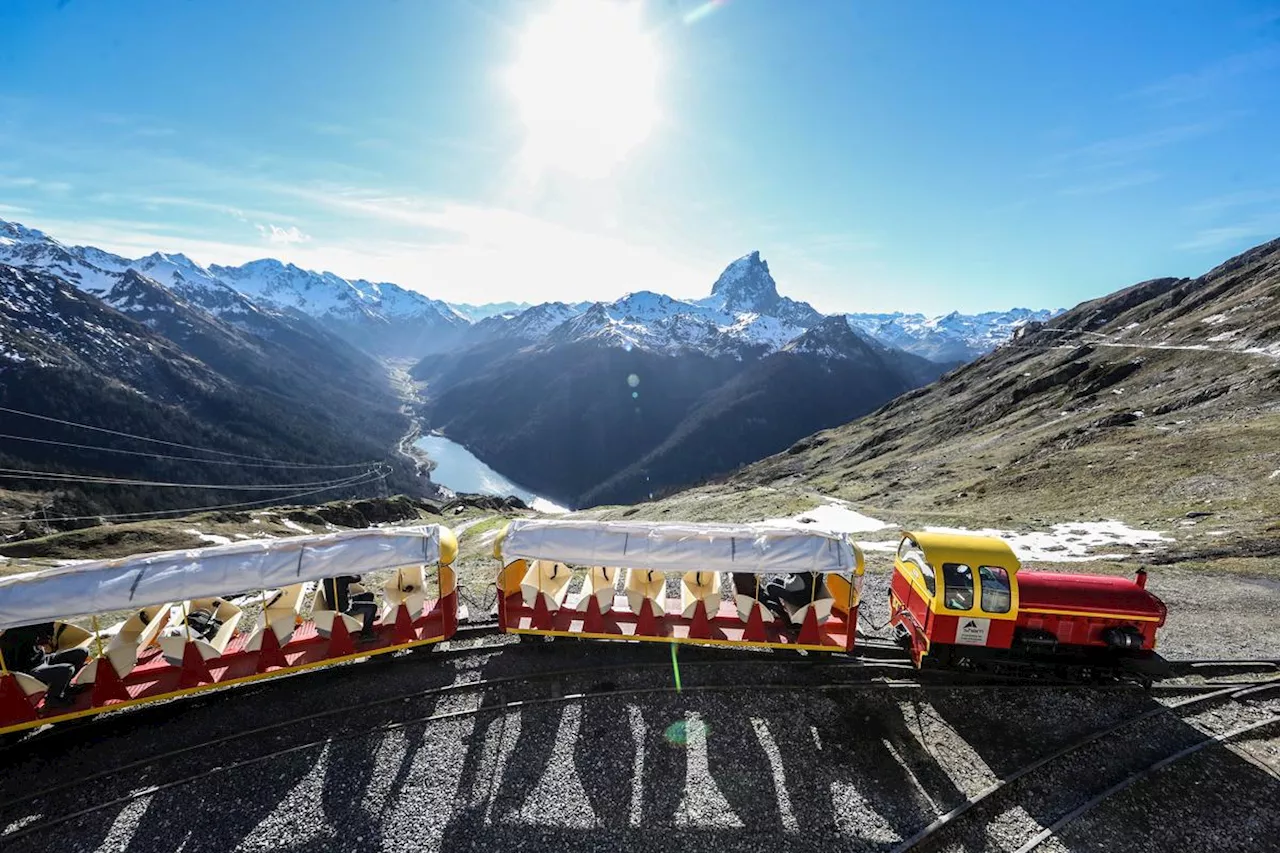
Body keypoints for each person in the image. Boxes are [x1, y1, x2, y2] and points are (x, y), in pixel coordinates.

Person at [0, 622, 89, 706]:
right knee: (67, 669)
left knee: (82, 652)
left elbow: (46, 638)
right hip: (29, 670)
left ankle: (65, 687)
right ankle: (53, 699)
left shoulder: (36, 627)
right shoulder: (15, 635)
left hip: (42, 660)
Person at [322, 575, 378, 641]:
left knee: (369, 595)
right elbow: (358, 578)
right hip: (344, 608)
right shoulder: (342, 578)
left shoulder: (328, 577)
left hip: (343, 601)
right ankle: (366, 634)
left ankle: (369, 619)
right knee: (372, 607)